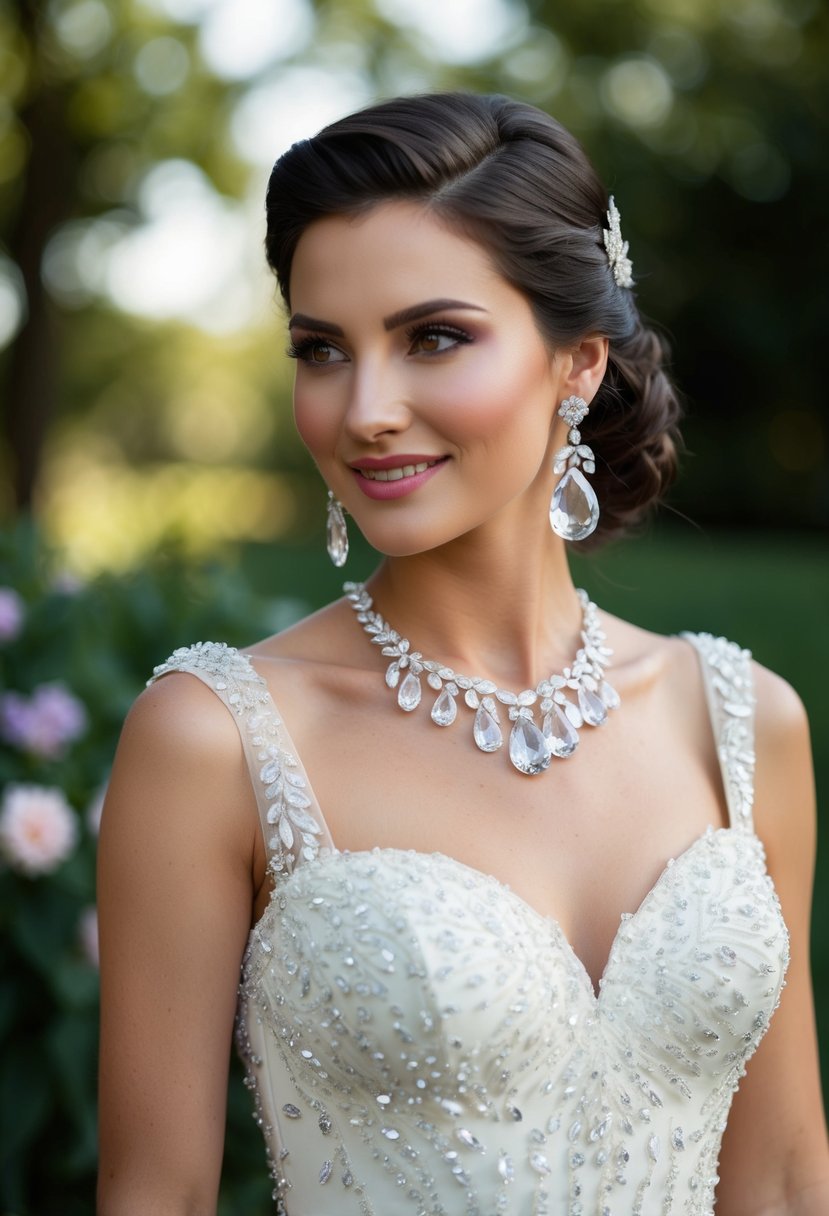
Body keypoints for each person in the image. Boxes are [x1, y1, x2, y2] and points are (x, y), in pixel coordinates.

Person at [96, 93, 828, 1215]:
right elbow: (157, 1193)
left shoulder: (741, 722)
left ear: (577, 363)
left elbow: (780, 1181)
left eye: (432, 337)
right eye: (322, 350)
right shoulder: (214, 737)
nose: (366, 409)